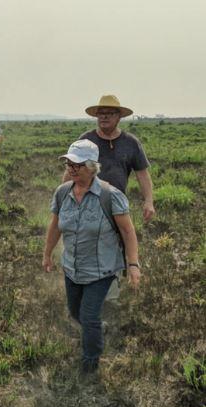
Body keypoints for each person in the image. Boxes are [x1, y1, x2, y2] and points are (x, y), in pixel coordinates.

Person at [43, 139, 141, 374]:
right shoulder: (62, 193)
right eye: (68, 164)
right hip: (72, 267)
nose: (71, 169)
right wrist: (47, 254)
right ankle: (98, 327)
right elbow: (55, 226)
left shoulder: (110, 196)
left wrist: (133, 264)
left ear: (92, 166)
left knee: (87, 315)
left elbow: (128, 231)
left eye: (77, 164)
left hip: (102, 270)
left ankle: (90, 362)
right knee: (75, 312)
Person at [64, 95, 156, 223]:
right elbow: (71, 170)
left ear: (119, 116)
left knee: (120, 239)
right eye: (101, 113)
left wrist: (149, 201)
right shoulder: (86, 140)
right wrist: (64, 199)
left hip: (117, 206)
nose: (104, 116)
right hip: (87, 205)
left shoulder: (130, 142)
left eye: (109, 113)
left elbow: (142, 174)